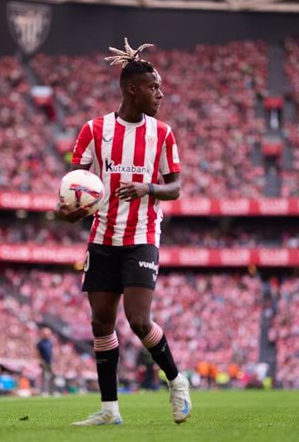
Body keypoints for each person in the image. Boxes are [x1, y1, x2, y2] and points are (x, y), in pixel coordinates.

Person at [56, 38, 191, 426]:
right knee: (101, 322)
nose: (160, 94)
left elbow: (175, 188)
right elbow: (76, 182)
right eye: (154, 87)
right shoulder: (94, 130)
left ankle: (177, 381)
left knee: (137, 319)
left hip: (143, 236)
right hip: (102, 237)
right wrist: (66, 210)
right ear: (132, 89)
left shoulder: (162, 134)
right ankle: (109, 410)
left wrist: (148, 187)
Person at [36, 327, 56, 396]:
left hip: (50, 362)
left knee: (53, 376)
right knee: (44, 377)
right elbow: (37, 353)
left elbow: (51, 353)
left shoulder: (50, 342)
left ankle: (52, 391)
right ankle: (44, 391)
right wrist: (40, 360)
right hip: (44, 361)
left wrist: (53, 361)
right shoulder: (40, 343)